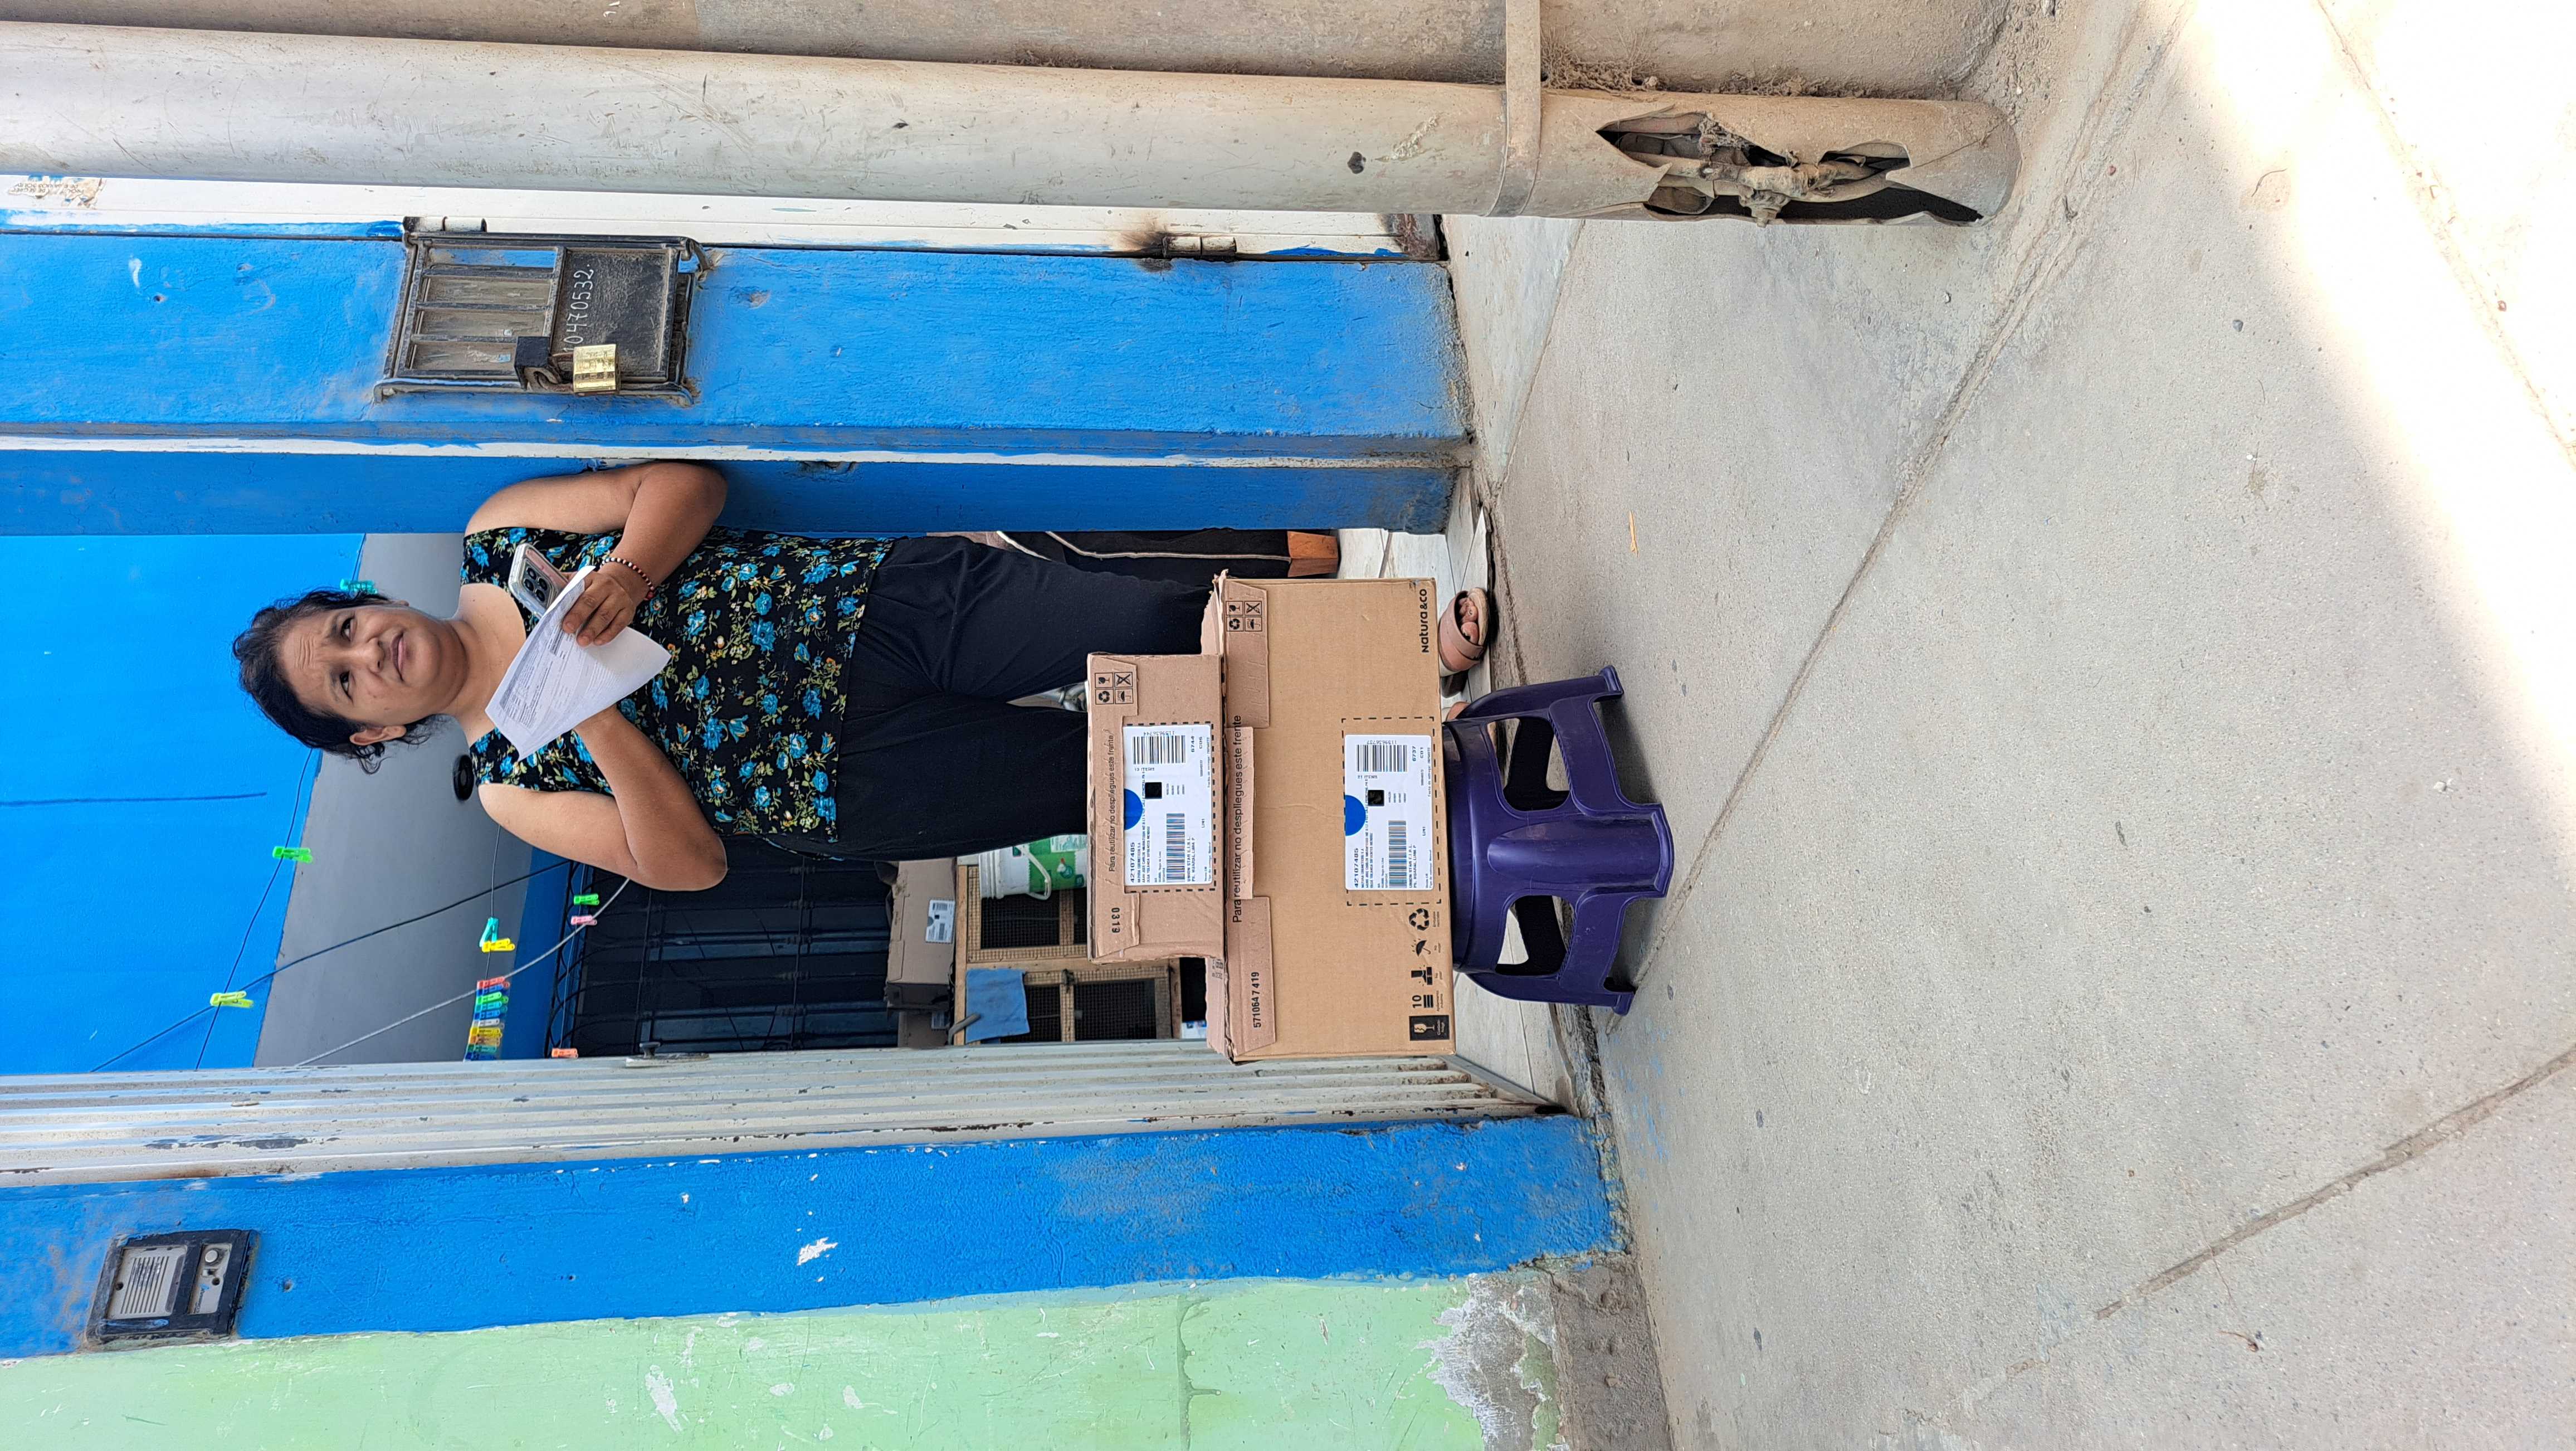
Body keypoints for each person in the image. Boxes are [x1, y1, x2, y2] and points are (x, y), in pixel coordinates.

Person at [233, 462, 1492, 890]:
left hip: (879, 609)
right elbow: (688, 866)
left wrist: (625, 572)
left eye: (345, 629)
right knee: (1146, 775)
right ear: (370, 736)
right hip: (859, 781)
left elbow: (682, 486)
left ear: (365, 600)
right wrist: (597, 719)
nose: (366, 654)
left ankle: (1397, 660)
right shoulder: (514, 783)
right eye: (344, 685)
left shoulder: (500, 531)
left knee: (1154, 621)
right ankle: (1417, 768)